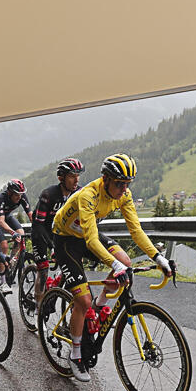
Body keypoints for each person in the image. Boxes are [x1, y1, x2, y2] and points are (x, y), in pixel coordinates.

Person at [48, 152, 168, 367]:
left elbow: (136, 230)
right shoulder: (88, 195)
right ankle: (75, 355)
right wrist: (114, 265)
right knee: (82, 301)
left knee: (126, 261)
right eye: (120, 184)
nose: (124, 189)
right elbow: (92, 241)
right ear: (106, 180)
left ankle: (100, 303)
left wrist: (158, 258)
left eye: (128, 184)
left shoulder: (124, 194)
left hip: (86, 233)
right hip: (65, 239)